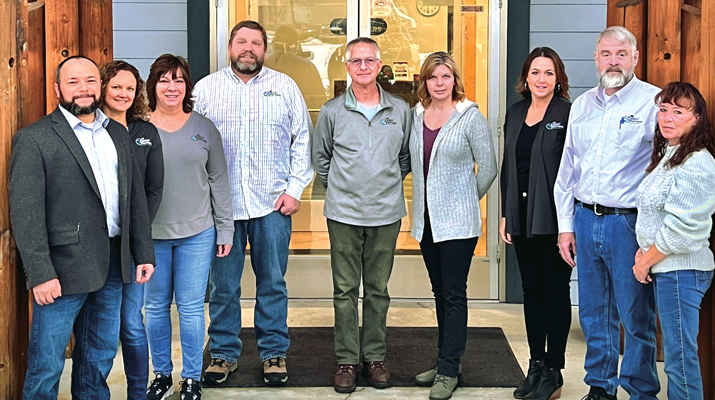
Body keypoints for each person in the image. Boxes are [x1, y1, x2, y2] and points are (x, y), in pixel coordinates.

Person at [10, 55, 155, 400]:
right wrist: (40, 272)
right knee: (47, 365)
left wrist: (142, 251)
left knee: (98, 361)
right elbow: (26, 213)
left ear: (99, 86)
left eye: (90, 80)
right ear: (58, 89)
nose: (84, 88)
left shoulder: (118, 134)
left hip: (112, 264)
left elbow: (133, 199)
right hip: (61, 271)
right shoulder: (35, 139)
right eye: (73, 82)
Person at [194, 20, 313, 387]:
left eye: (256, 43)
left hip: (271, 205)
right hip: (222, 209)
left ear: (264, 48)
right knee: (223, 286)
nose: (249, 48)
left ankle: (273, 353)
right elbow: (191, 143)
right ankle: (223, 354)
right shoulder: (205, 90)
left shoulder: (284, 87)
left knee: (272, 283)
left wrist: (294, 190)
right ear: (230, 47)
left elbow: (302, 139)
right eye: (241, 42)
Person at [554, 26, 661, 400]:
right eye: (605, 54)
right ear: (595, 57)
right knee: (594, 313)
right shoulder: (582, 105)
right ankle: (600, 387)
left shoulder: (653, 102)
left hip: (628, 223)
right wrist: (566, 227)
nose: (612, 61)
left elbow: (664, 166)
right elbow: (567, 170)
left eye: (620, 54)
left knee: (635, 316)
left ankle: (641, 390)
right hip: (585, 218)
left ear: (634, 57)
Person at [312, 37, 411, 394]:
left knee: (377, 290)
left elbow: (405, 158)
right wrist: (344, 186)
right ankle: (346, 361)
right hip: (343, 213)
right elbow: (321, 158)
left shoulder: (399, 110)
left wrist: (381, 184)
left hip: (386, 213)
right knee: (344, 290)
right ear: (347, 66)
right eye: (357, 61)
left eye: (370, 61)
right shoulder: (332, 111)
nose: (364, 67)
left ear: (380, 65)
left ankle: (375, 357)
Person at [143, 54, 234, 400]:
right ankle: (162, 374)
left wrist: (225, 230)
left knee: (192, 308)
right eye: (164, 80)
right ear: (153, 85)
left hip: (198, 232)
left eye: (179, 80)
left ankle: (192, 378)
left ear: (187, 86)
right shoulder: (138, 128)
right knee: (155, 308)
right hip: (151, 236)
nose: (172, 87)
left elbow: (218, 180)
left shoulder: (204, 127)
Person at [409, 51, 497, 400]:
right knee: (439, 292)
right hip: (426, 222)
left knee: (454, 294)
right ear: (425, 81)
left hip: (458, 224)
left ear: (455, 80)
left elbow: (488, 167)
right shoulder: (417, 115)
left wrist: (463, 200)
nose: (440, 83)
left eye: (446, 77)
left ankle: (448, 370)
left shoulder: (469, 117)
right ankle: (448, 359)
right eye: (433, 77)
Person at [633, 82, 715, 400]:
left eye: (678, 111)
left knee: (680, 362)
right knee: (675, 358)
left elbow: (682, 230)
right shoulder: (670, 155)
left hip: (681, 272)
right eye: (663, 109)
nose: (667, 117)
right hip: (666, 269)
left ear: (696, 119)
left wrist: (644, 260)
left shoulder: (698, 163)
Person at [499, 47, 572, 400]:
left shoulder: (567, 114)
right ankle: (536, 365)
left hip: (555, 221)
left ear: (558, 79)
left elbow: (574, 171)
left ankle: (554, 373)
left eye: (548, 73)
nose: (541, 79)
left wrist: (568, 224)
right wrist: (505, 214)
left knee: (555, 294)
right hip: (522, 218)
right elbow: (506, 167)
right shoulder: (515, 114)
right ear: (525, 77)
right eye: (535, 72)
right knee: (532, 294)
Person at [99, 59, 164, 400]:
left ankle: (139, 393)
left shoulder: (145, 131)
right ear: (102, 89)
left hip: (134, 245)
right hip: (99, 245)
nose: (123, 94)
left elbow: (153, 188)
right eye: (116, 87)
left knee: (132, 324)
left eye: (129, 88)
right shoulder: (92, 129)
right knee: (103, 329)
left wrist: (139, 230)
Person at [264, 25, 328, 111]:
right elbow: (319, 103)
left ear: (273, 44)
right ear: (296, 44)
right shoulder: (307, 67)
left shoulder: (263, 66)